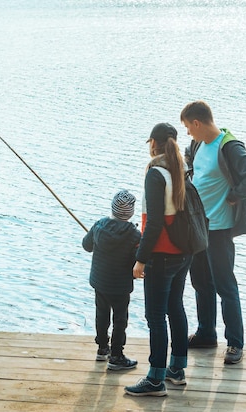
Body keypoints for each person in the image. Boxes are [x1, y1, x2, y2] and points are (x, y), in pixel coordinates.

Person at [180, 100, 246, 365]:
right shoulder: (198, 144)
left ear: (197, 123)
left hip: (219, 229)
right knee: (200, 283)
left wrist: (233, 196)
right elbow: (194, 167)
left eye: (187, 127)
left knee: (225, 286)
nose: (187, 133)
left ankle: (235, 344)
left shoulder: (229, 146)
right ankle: (206, 333)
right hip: (198, 228)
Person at [124, 123, 192, 397]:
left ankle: (155, 379)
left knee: (155, 316)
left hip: (161, 254)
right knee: (175, 307)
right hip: (183, 252)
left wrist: (141, 259)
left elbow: (152, 223)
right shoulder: (184, 168)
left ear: (154, 142)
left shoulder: (156, 173)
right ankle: (177, 369)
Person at [82, 189, 141, 371]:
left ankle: (102, 348)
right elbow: (136, 260)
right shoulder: (134, 234)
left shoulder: (99, 225)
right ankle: (116, 355)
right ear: (130, 212)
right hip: (120, 286)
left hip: (100, 282)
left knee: (102, 315)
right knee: (120, 320)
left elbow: (86, 246)